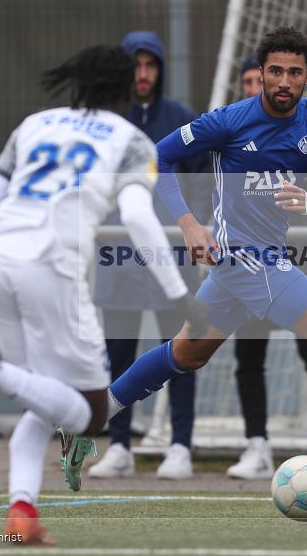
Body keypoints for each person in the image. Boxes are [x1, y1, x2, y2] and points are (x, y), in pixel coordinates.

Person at [0, 44, 208, 544]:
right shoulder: (131, 140)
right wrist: (179, 296)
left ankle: (22, 512)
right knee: (89, 413)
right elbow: (136, 218)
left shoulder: (34, 124)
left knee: (39, 402)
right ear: (127, 87)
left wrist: (12, 240)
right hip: (52, 270)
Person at [104, 26, 307, 507]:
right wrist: (188, 224)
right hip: (242, 257)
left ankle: (88, 421)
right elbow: (158, 158)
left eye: (294, 72)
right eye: (275, 71)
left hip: (261, 258)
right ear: (262, 75)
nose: (284, 81)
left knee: (186, 353)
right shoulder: (229, 121)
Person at [88, 31, 211, 481]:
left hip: (169, 256)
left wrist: (193, 225)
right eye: (135, 66)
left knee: (179, 349)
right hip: (117, 254)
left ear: (159, 70)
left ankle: (180, 445)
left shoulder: (179, 118)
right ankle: (118, 444)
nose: (143, 75)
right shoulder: (107, 120)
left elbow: (202, 178)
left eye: (150, 66)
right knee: (116, 351)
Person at [227, 53, 307, 479]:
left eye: (291, 73)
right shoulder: (233, 132)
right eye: (249, 81)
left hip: (305, 253)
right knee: (249, 354)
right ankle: (256, 445)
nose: (255, 87)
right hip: (252, 260)